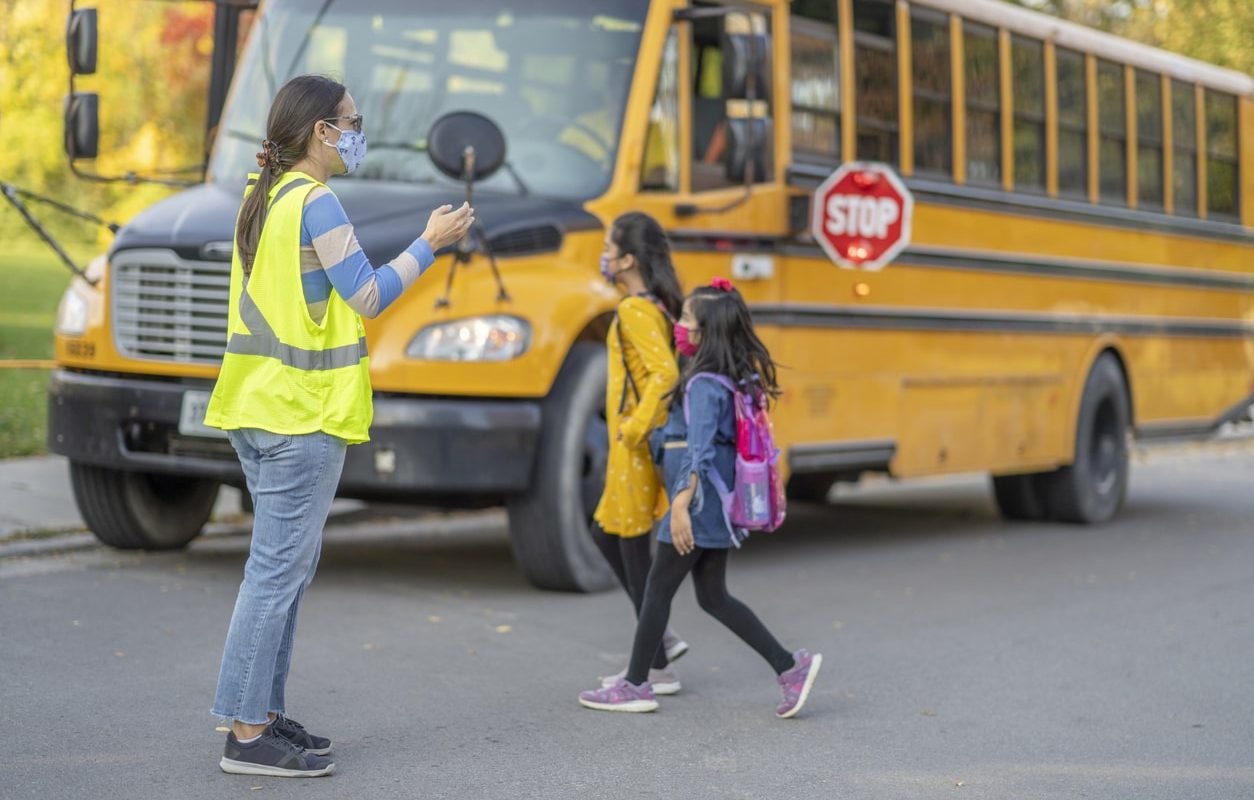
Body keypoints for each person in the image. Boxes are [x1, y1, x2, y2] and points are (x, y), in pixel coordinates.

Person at [203, 74, 474, 778]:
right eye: (352, 120)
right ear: (322, 131)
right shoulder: (316, 203)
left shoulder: (261, 198)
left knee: (284, 572)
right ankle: (246, 732)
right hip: (302, 415)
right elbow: (369, 295)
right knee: (275, 574)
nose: (359, 131)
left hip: (257, 409)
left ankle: (262, 713)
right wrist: (430, 241)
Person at [579, 279, 822, 717]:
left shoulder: (704, 385)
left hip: (698, 505)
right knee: (713, 596)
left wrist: (678, 506)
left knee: (656, 590)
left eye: (688, 318)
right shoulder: (731, 378)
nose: (680, 325)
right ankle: (790, 667)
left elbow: (700, 449)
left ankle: (637, 684)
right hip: (716, 505)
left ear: (706, 331)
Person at [590, 212, 689, 692]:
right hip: (630, 447)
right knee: (608, 535)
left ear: (628, 258)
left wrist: (632, 429)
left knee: (630, 550)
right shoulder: (656, 304)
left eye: (610, 247)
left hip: (633, 449)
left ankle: (654, 666)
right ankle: (662, 646)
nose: (604, 255)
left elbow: (665, 374)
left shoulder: (633, 309)